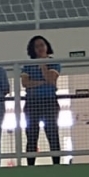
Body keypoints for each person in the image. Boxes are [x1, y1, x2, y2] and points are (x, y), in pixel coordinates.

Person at [21, 34, 61, 165]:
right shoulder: (28, 65)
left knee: (52, 133)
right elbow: (25, 83)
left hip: (49, 102)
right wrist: (42, 82)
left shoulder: (54, 62)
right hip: (32, 102)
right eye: (36, 46)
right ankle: (30, 165)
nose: (40, 48)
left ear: (47, 46)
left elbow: (51, 79)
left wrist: (43, 65)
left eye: (42, 45)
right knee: (32, 135)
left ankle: (56, 164)